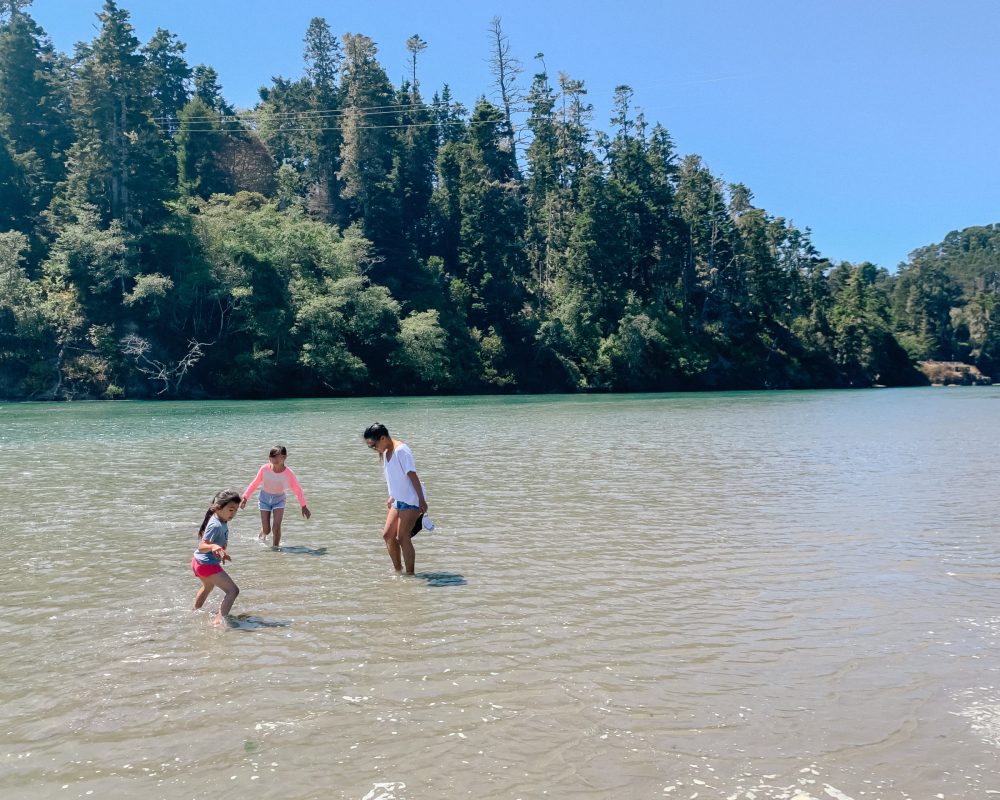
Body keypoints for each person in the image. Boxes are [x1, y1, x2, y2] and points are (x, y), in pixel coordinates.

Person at [363, 422, 428, 575]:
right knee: (388, 535)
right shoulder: (386, 451)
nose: (373, 449)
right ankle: (398, 571)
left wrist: (421, 500)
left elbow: (412, 475)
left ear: (383, 438)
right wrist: (392, 495)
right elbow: (396, 477)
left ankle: (410, 575)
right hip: (398, 499)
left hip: (411, 499)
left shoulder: (401, 451)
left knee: (402, 537)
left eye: (373, 445)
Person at [240, 445, 311, 547]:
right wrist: (245, 497)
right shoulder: (264, 469)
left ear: (284, 457)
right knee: (267, 530)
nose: (274, 459)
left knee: (276, 527)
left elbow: (298, 490)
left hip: (279, 500)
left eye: (277, 456)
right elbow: (254, 483)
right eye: (272, 456)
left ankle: (275, 549)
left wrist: (303, 506)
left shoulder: (289, 474)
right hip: (264, 498)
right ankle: (262, 535)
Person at [192, 490, 242, 625]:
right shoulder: (216, 525)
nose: (233, 513)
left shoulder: (219, 518)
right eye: (231, 509)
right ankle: (218, 622)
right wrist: (214, 547)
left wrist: (221, 552)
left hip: (198, 562)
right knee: (233, 591)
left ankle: (195, 611)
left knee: (208, 586)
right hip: (206, 564)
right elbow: (202, 546)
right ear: (219, 507)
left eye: (236, 510)